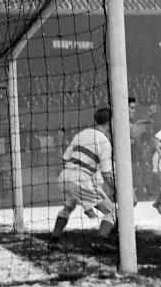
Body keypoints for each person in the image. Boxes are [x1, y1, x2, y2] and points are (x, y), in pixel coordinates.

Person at [49, 107, 117, 253]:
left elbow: (65, 158)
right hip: (81, 179)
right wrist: (116, 189)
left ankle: (53, 241)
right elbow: (106, 174)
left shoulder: (82, 134)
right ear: (110, 122)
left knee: (68, 208)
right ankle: (100, 242)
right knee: (112, 211)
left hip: (65, 175)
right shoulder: (105, 142)